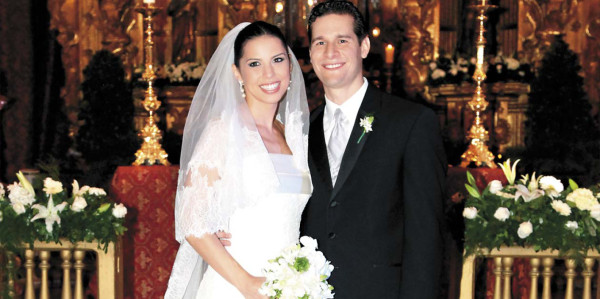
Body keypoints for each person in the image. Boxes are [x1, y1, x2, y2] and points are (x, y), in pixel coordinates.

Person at [299, 1, 447, 298]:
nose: (331, 52)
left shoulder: (412, 122)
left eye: (342, 40)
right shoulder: (300, 130)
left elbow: (425, 236)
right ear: (311, 53)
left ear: (364, 46)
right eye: (320, 43)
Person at [164, 21, 311, 299]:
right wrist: (247, 284)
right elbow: (191, 220)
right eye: (254, 64)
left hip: (292, 284)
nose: (269, 73)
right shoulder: (224, 130)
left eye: (278, 60)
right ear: (237, 72)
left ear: (290, 65)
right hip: (237, 285)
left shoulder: (293, 133)